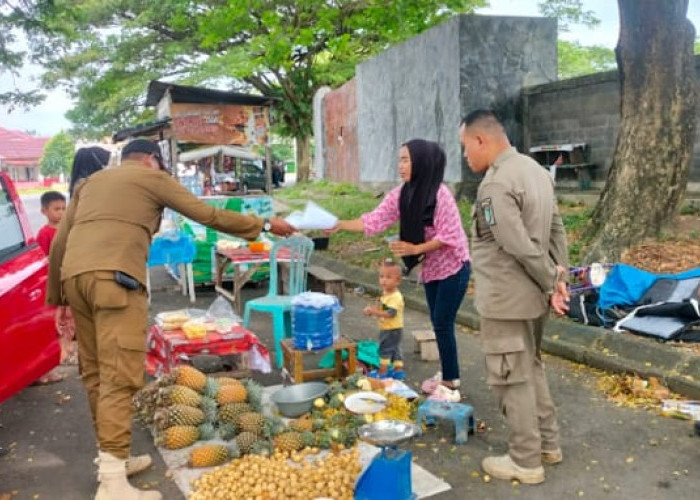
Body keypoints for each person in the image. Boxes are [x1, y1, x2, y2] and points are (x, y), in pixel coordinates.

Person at [46, 139, 296, 500]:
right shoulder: (153, 178)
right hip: (115, 280)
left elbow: (60, 243)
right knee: (119, 376)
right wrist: (266, 224)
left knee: (97, 373)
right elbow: (208, 215)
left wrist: (60, 299)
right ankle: (113, 485)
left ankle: (113, 458)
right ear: (151, 159)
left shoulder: (90, 184)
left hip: (75, 279)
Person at [460, 110, 570, 485]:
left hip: (508, 298)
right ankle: (547, 444)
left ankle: (525, 461)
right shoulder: (536, 171)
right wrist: (559, 277)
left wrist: (547, 281)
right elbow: (556, 228)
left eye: (465, 148)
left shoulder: (495, 184)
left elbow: (517, 245)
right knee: (532, 367)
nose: (465, 157)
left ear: (481, 140)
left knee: (511, 377)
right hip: (533, 299)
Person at [329, 139, 470, 401]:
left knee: (441, 323)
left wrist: (415, 249)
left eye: (406, 160)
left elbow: (448, 236)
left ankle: (451, 383)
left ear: (422, 163)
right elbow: (374, 219)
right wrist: (340, 224)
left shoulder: (441, 195)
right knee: (438, 322)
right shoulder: (401, 194)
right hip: (432, 270)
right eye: (399, 160)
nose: (400, 166)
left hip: (454, 267)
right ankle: (449, 373)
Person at [33, 191, 72, 383]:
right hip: (54, 284)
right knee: (53, 326)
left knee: (67, 322)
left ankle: (65, 353)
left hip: (69, 280)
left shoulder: (68, 229)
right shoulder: (44, 234)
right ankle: (47, 369)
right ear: (44, 211)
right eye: (56, 209)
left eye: (64, 208)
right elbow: (42, 261)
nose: (61, 213)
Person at [364, 258, 405, 378]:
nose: (383, 280)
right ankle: (398, 370)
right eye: (381, 276)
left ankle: (382, 372)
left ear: (397, 281)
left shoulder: (395, 297)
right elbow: (383, 308)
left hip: (391, 328)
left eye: (388, 277)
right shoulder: (386, 293)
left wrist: (375, 312)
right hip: (394, 328)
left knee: (385, 350)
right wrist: (373, 310)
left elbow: (390, 313)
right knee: (395, 349)